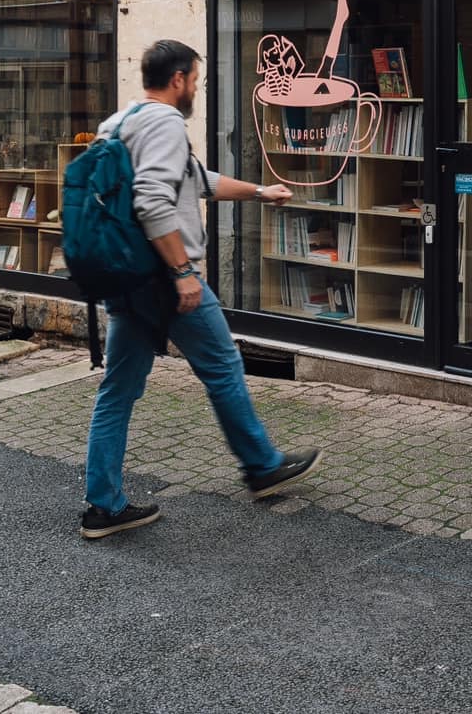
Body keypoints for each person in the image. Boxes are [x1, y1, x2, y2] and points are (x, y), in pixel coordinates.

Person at [80, 39, 320, 539]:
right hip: (162, 279)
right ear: (178, 79)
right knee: (223, 365)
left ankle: (102, 506)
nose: (197, 90)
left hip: (122, 275)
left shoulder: (118, 124)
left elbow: (196, 180)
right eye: (196, 81)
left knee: (118, 391)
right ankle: (261, 465)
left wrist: (258, 191)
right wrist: (183, 272)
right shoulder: (166, 123)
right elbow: (151, 201)